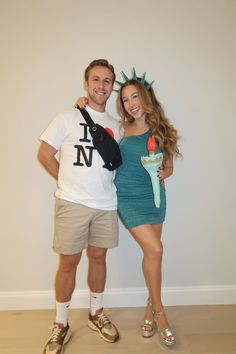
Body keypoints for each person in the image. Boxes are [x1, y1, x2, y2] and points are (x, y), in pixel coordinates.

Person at [76, 70, 180, 347]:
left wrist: (163, 174)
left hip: (155, 197)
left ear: (145, 98)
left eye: (134, 96)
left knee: (153, 255)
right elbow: (97, 122)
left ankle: (148, 311)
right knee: (156, 250)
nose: (130, 103)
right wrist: (82, 104)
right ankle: (160, 313)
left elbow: (168, 166)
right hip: (128, 197)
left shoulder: (162, 130)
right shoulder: (121, 127)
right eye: (124, 99)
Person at [38, 59, 121, 354]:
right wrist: (67, 182)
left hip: (105, 204)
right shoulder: (66, 117)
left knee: (99, 259)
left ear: (112, 87)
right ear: (86, 84)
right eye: (96, 79)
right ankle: (61, 323)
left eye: (107, 80)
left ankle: (96, 313)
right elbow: (45, 154)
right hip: (72, 203)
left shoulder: (116, 125)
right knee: (69, 263)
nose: (101, 85)